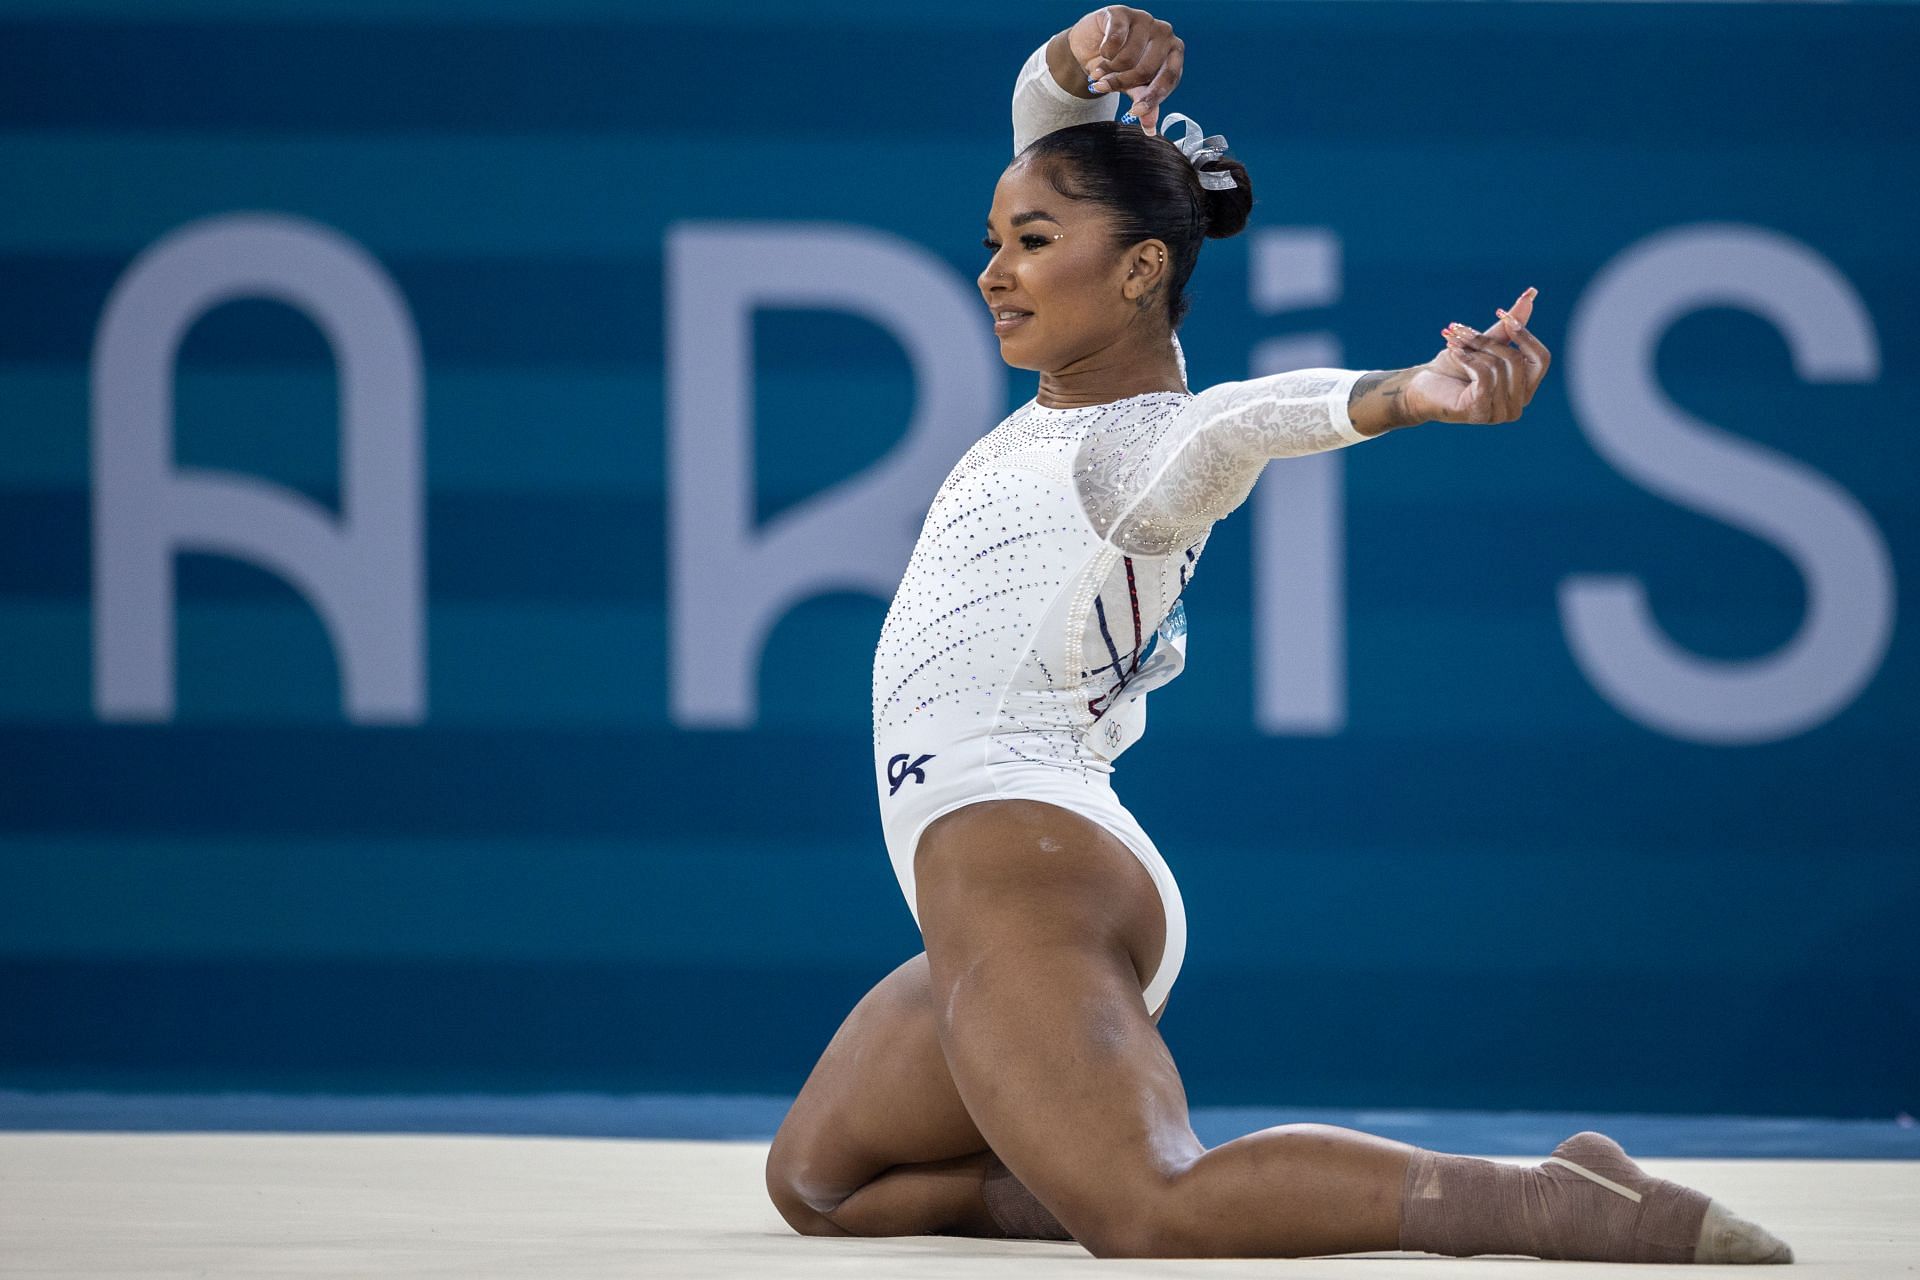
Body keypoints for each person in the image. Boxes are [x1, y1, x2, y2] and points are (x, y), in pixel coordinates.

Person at [765, 7, 1792, 1263]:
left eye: (1033, 244)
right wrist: (1079, 57)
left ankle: (1550, 1198)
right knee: (817, 1184)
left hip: (1027, 868)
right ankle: (1058, 1173)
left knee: (1154, 1208)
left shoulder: (1143, 445)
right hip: (985, 875)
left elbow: (1251, 420)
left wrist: (1408, 394)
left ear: (1141, 269)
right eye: (992, 241)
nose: (993, 271)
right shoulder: (1056, 410)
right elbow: (1050, 132)